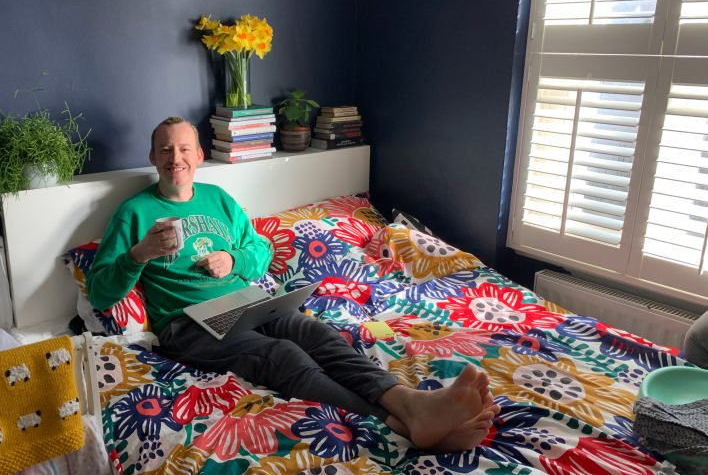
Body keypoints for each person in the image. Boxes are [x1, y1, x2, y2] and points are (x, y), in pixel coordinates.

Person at [86, 116, 498, 451]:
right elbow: (102, 292)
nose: (174, 158)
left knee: (316, 333)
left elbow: (260, 251)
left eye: (183, 149)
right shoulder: (133, 212)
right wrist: (138, 254)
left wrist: (234, 259)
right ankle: (401, 425)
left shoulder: (219, 199)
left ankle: (410, 401)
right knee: (282, 355)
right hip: (187, 324)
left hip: (246, 303)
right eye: (165, 149)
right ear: (153, 157)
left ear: (198, 155)